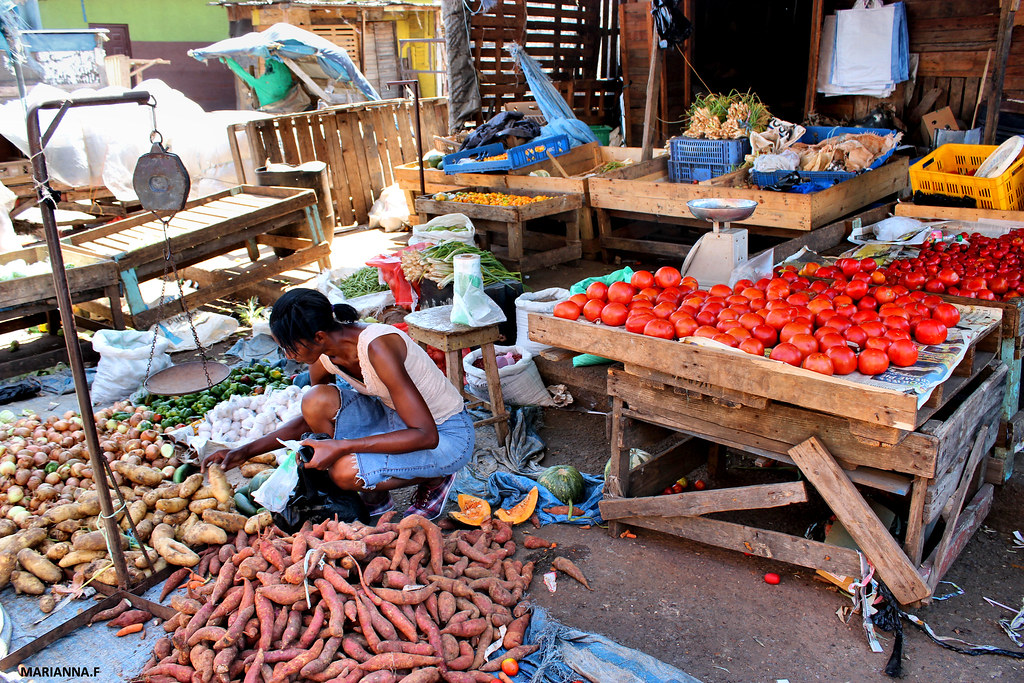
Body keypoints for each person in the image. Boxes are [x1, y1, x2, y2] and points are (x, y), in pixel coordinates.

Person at [203, 288, 474, 519]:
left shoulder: (377, 347)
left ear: (319, 337)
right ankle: (376, 493)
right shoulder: (324, 354)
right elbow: (310, 419)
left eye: (290, 348)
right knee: (315, 400)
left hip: (446, 434)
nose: (288, 356)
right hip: (393, 418)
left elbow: (425, 435)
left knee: (344, 471)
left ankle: (436, 478)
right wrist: (244, 450)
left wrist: (341, 446)